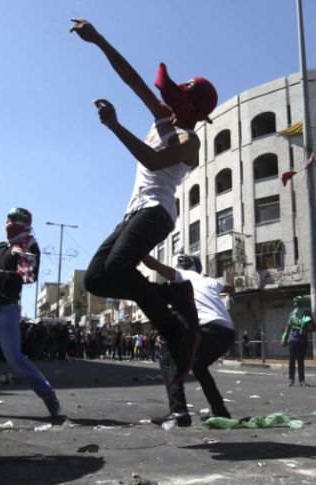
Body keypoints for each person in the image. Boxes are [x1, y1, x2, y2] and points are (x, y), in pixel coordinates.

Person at [71, 19, 218, 385]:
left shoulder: (188, 141)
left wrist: (115, 126)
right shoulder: (162, 116)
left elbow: (154, 162)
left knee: (120, 268)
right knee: (96, 280)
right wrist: (99, 40)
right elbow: (132, 78)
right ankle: (173, 294)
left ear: (191, 107)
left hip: (157, 212)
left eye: (183, 92)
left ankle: (176, 333)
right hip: (133, 212)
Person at [0, 208, 61, 417]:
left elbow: (28, 277)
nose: (10, 226)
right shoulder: (1, 246)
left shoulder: (28, 245)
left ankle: (48, 395)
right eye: (9, 222)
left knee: (14, 358)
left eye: (16, 223)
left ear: (26, 225)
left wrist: (0, 274)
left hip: (6, 308)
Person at [142, 254, 236, 426]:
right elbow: (231, 287)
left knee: (167, 361)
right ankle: (220, 411)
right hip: (227, 332)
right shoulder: (209, 281)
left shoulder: (182, 276)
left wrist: (136, 249)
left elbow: (156, 266)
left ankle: (179, 411)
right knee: (199, 366)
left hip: (205, 329)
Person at [281, 296, 316, 386]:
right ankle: (291, 379)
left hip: (302, 340)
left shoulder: (306, 314)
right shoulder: (292, 314)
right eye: (295, 302)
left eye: (298, 302)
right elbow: (288, 326)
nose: (296, 304)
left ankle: (302, 380)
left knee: (301, 361)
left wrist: (306, 330)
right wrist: (284, 337)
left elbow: (315, 327)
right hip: (293, 340)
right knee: (291, 360)